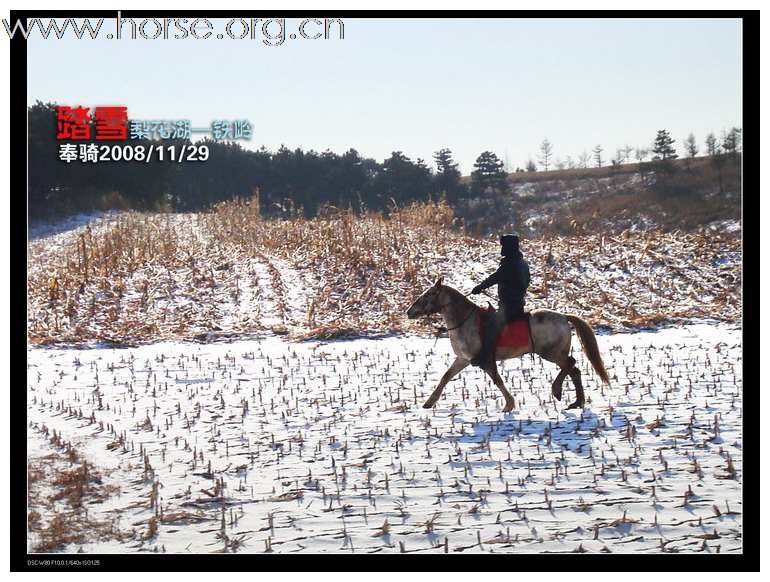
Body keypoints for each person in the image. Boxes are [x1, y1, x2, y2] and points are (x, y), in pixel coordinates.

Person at [470, 234, 530, 368]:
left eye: (503, 246)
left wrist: (479, 288)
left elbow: (494, 278)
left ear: (508, 247)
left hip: (509, 306)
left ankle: (485, 356)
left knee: (491, 325)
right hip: (518, 303)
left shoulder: (509, 264)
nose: (501, 249)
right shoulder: (523, 264)